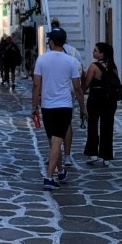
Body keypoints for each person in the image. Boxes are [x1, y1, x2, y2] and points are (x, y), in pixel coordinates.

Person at [31, 26, 83, 190]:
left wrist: (34, 106)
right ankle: (53, 175)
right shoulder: (71, 61)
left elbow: (36, 85)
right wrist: (83, 107)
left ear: (52, 42)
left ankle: (55, 174)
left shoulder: (42, 60)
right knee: (56, 141)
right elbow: (77, 87)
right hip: (64, 106)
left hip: (47, 106)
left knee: (53, 141)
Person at [82, 41, 119, 167]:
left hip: (96, 99)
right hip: (110, 100)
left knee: (92, 125)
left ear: (102, 53)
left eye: (95, 50)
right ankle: (106, 155)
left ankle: (92, 153)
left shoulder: (94, 67)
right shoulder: (113, 67)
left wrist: (80, 93)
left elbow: (86, 84)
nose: (93, 52)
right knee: (107, 127)